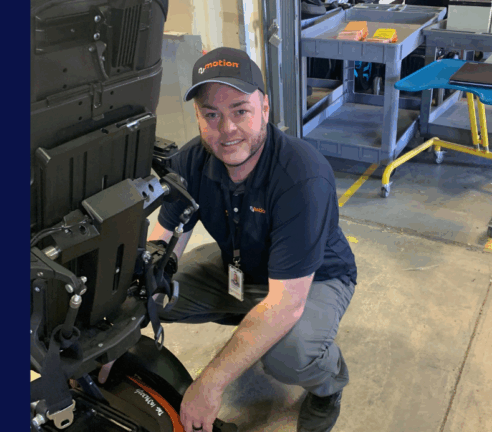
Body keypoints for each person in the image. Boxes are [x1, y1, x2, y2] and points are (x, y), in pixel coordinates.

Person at [99, 47, 358, 432]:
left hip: (313, 279)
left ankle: (329, 383)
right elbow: (164, 243)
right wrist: (116, 331)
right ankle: (252, 321)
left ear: (265, 109)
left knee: (288, 355)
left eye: (240, 110)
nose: (227, 129)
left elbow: (286, 303)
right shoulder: (191, 162)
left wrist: (209, 384)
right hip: (240, 267)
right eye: (212, 115)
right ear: (198, 117)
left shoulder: (302, 176)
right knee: (155, 294)